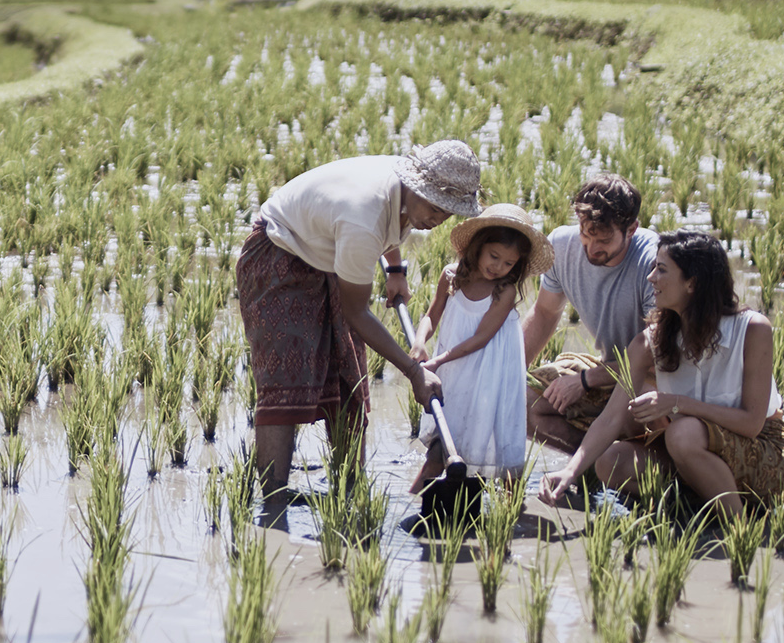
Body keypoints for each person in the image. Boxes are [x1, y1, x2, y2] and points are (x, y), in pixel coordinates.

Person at [237, 140, 483, 519]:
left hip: (330, 253)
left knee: (348, 376)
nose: (436, 219)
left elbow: (391, 222)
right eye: (433, 207)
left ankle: (348, 490)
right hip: (280, 253)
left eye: (447, 212)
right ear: (415, 186)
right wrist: (414, 371)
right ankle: (273, 504)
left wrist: (396, 269)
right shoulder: (362, 215)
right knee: (286, 381)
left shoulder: (400, 197)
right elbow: (356, 311)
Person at [538, 229, 784, 515]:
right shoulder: (648, 343)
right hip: (690, 450)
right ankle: (700, 502)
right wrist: (570, 471)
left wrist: (678, 403)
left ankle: (738, 525)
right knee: (610, 462)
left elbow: (752, 423)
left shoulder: (752, 329)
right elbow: (612, 418)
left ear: (692, 283)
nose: (651, 277)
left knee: (682, 432)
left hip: (766, 451)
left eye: (661, 270)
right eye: (653, 267)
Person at [412, 204, 551, 493]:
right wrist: (419, 342)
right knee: (443, 441)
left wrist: (438, 361)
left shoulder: (504, 290)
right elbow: (431, 315)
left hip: (491, 372)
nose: (498, 267)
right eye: (494, 256)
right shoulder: (452, 276)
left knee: (497, 434)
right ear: (478, 247)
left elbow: (481, 339)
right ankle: (414, 501)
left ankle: (512, 512)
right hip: (454, 368)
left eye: (509, 263)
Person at [520, 173, 657, 457]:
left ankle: (639, 470)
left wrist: (584, 381)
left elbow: (656, 357)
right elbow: (545, 313)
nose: (592, 249)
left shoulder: (653, 263)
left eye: (604, 240)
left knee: (637, 406)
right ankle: (590, 469)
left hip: (652, 377)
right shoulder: (561, 246)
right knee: (521, 401)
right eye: (586, 234)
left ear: (632, 229)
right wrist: (506, 373)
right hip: (606, 367)